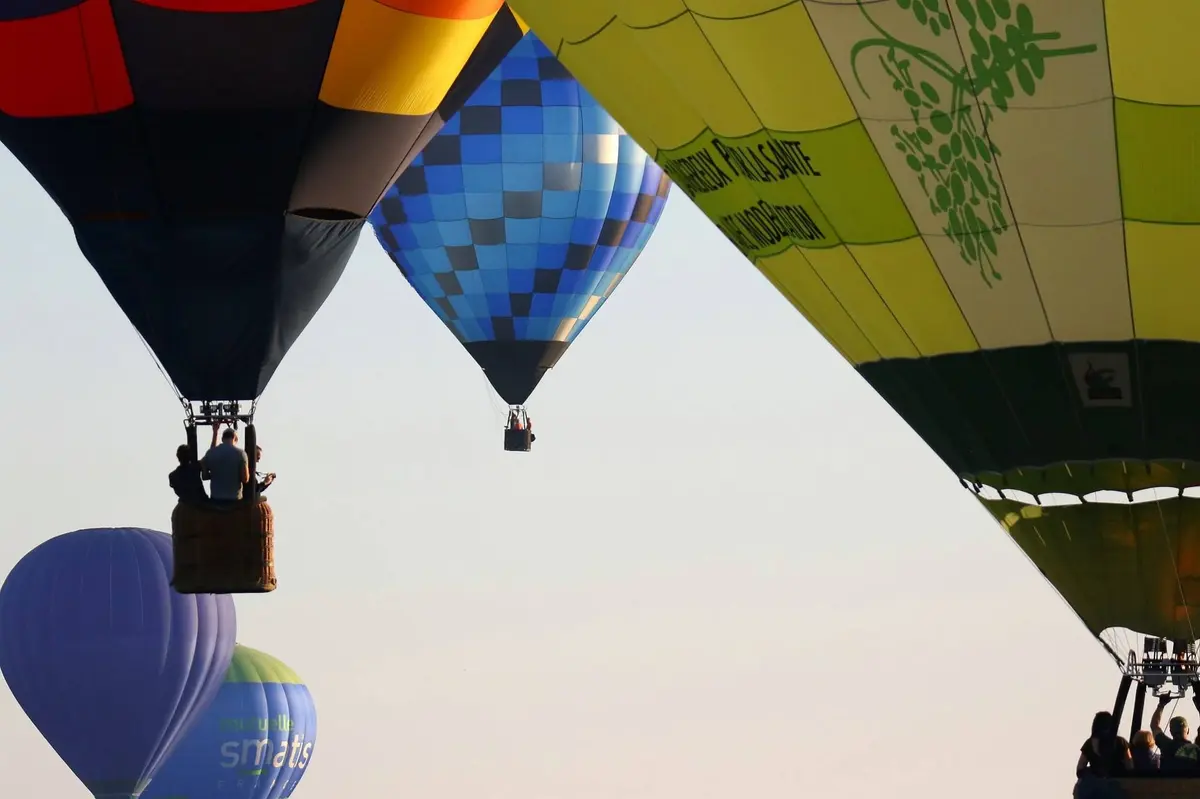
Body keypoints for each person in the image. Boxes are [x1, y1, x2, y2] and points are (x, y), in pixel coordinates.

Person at [1149, 695, 1200, 772]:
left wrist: (1161, 705)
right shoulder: (1196, 749)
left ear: (1171, 731)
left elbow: (1154, 726)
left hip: (1168, 783)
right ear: (1188, 731)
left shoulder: (1165, 744)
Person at [200, 424, 249, 503]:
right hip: (234, 500)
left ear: (222, 439)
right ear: (235, 438)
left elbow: (204, 476)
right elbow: (245, 479)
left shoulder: (211, 453)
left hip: (216, 499)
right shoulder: (241, 454)